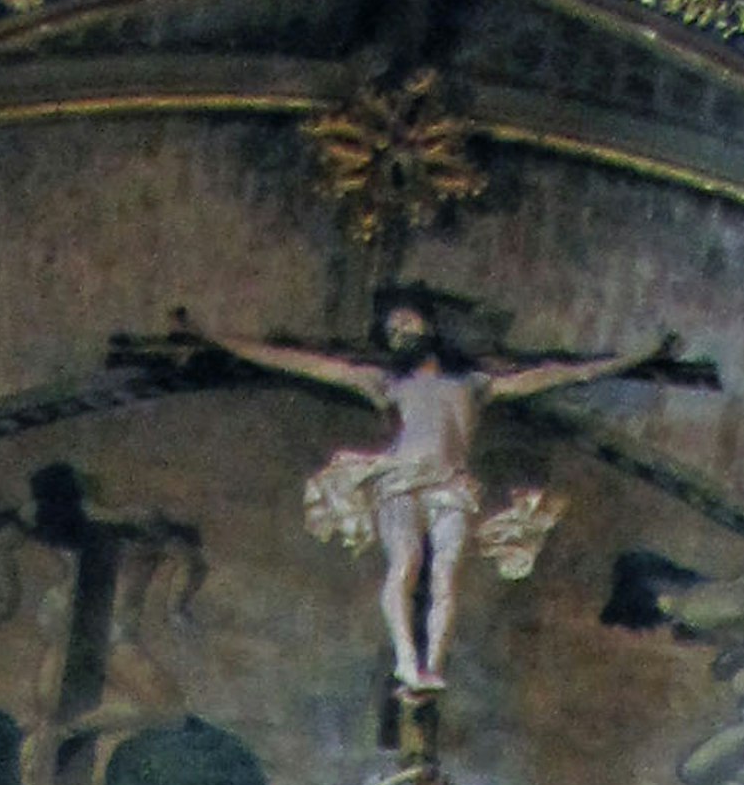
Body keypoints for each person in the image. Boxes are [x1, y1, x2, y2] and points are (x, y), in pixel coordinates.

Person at [205, 292, 691, 698]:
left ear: (429, 327)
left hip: (451, 486)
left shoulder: (477, 385)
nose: (399, 333)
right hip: (399, 480)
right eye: (391, 331)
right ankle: (405, 661)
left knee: (445, 577)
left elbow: (564, 373)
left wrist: (642, 355)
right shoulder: (385, 382)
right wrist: (212, 338)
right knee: (405, 566)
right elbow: (299, 363)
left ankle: (432, 666)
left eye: (406, 323)